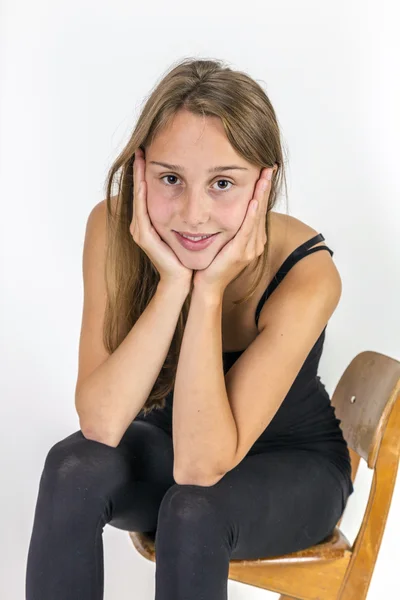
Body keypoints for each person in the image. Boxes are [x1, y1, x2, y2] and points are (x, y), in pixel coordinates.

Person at [25, 57, 354, 600]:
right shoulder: (112, 228)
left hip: (291, 466)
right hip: (172, 442)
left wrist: (209, 290)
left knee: (192, 509)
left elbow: (201, 469)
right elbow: (102, 423)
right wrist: (173, 283)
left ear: (263, 187)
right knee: (73, 467)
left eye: (223, 183)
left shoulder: (307, 274)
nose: (192, 214)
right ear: (140, 168)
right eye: (170, 179)